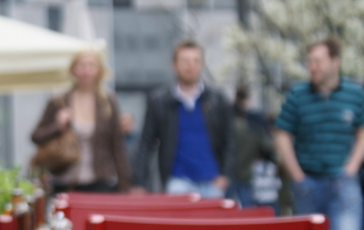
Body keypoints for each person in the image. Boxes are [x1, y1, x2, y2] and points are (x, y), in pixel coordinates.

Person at [274, 36, 364, 230]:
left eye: (318, 61)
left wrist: (352, 167)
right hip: (307, 184)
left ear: (334, 62)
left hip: (343, 183)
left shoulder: (355, 94)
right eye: (309, 62)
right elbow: (282, 133)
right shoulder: (297, 96)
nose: (312, 67)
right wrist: (296, 175)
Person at [131, 39, 234, 196]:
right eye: (185, 60)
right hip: (177, 182)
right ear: (174, 64)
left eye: (195, 61)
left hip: (213, 182)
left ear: (201, 64)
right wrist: (139, 182)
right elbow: (146, 142)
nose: (190, 65)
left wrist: (225, 175)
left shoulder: (217, 99)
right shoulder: (159, 101)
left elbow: (230, 141)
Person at [31, 49, 130, 192]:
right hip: (65, 179)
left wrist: (125, 185)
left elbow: (117, 146)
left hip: (100, 180)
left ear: (99, 70)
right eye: (81, 65)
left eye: (91, 65)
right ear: (73, 70)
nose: (86, 70)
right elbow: (36, 136)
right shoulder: (58, 102)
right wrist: (58, 125)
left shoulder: (108, 102)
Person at [230, 86, 281, 211]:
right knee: (248, 214)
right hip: (247, 175)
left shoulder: (229, 123)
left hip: (228, 175)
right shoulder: (254, 126)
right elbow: (269, 149)